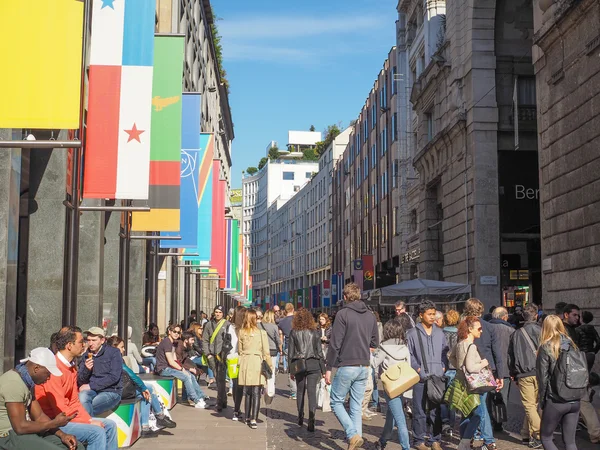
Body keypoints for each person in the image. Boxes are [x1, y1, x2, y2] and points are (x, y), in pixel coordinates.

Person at [35, 327, 118, 450]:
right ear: (69, 345)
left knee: (110, 425)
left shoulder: (71, 367)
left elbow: (74, 400)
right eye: (81, 342)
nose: (85, 345)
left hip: (66, 417)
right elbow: (60, 409)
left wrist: (88, 419)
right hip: (53, 421)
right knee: (97, 432)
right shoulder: (54, 368)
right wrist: (88, 422)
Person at [326, 283, 379, 450]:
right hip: (364, 365)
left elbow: (335, 344)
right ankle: (356, 440)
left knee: (336, 401)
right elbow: (375, 342)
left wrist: (328, 367)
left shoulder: (343, 314)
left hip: (347, 364)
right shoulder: (370, 316)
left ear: (345, 297)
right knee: (356, 405)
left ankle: (352, 434)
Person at [0, 347, 83, 450]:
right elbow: (20, 427)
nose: (48, 378)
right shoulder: (14, 383)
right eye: (48, 374)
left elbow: (39, 416)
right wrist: (54, 423)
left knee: (77, 447)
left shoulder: (28, 382)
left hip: (26, 432)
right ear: (36, 368)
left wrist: (62, 435)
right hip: (8, 436)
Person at [106, 337, 176, 434]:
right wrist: (143, 387)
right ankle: (159, 417)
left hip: (119, 387)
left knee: (147, 392)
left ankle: (146, 426)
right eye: (122, 347)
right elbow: (131, 374)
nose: (124, 349)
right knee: (148, 390)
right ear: (114, 347)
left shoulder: (110, 357)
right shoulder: (115, 359)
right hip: (119, 390)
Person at [406, 301, 449, 450]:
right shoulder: (412, 333)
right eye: (429, 314)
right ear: (421, 315)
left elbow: (445, 352)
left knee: (436, 410)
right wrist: (417, 369)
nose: (432, 317)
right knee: (419, 410)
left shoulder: (439, 332)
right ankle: (418, 440)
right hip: (420, 377)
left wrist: (443, 366)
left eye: (433, 314)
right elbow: (409, 354)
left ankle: (435, 439)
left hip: (437, 376)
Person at [462, 298, 504, 450]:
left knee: (470, 406)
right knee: (481, 405)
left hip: (469, 371)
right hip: (486, 371)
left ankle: (479, 438)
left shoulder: (463, 326)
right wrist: (500, 375)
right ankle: (480, 439)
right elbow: (497, 353)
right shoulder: (490, 327)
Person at [536, 315, 582, 450]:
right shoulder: (571, 343)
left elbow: (543, 378)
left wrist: (542, 401)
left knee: (546, 438)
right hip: (575, 397)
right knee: (570, 442)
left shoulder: (546, 347)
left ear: (545, 328)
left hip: (556, 399)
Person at [374, 315, 413, 450]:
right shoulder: (404, 346)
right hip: (402, 385)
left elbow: (374, 363)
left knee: (400, 420)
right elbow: (409, 365)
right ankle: (382, 441)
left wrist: (368, 354)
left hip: (390, 386)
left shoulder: (383, 347)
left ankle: (405, 447)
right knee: (391, 415)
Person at [449, 316, 488, 450]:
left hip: (460, 383)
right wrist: (483, 363)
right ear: (470, 329)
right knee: (478, 414)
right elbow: (471, 368)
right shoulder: (471, 346)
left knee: (466, 414)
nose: (481, 331)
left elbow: (451, 356)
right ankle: (464, 443)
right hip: (471, 386)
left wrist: (460, 368)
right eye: (479, 328)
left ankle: (464, 444)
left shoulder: (460, 343)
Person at [508, 303, 543, 449]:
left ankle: (533, 433)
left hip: (523, 373)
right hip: (541, 372)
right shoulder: (542, 331)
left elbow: (511, 356)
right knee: (533, 405)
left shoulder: (516, 334)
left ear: (523, 316)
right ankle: (532, 433)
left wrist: (513, 373)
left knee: (529, 405)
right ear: (536, 315)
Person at [288, 308, 326, 432]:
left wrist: (291, 370)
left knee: (300, 391)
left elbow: (290, 353)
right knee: (311, 393)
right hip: (313, 363)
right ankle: (311, 420)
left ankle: (300, 416)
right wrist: (323, 369)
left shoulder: (294, 332)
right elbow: (319, 353)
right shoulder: (315, 332)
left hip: (299, 364)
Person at [156, 324, 208, 409]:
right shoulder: (167, 342)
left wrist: (183, 369)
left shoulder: (173, 343)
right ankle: (196, 400)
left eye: (178, 332)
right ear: (169, 332)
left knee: (190, 375)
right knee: (186, 376)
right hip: (163, 368)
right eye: (174, 332)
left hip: (169, 367)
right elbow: (171, 361)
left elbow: (175, 359)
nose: (176, 334)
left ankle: (201, 397)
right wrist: (181, 369)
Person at [237, 309, 272, 429]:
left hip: (246, 362)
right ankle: (253, 418)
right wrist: (270, 366)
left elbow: (240, 350)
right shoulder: (261, 333)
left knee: (247, 391)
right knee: (256, 392)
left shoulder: (241, 332)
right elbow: (266, 352)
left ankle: (247, 416)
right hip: (257, 362)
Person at [77, 327, 122, 417]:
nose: (90, 343)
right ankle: (91, 426)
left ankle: (89, 427)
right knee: (83, 397)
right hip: (92, 391)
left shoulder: (113, 352)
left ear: (102, 340)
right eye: (88, 340)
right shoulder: (86, 355)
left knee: (85, 407)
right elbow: (80, 380)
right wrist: (87, 369)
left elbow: (114, 377)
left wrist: (91, 386)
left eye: (94, 340)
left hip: (111, 391)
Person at [488, 306, 515, 432]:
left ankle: (489, 422)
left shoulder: (485, 328)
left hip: (488, 369)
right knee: (502, 397)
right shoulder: (510, 330)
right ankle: (498, 424)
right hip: (505, 369)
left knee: (488, 397)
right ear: (505, 317)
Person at [202, 305, 231, 411]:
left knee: (221, 379)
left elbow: (230, 341)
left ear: (223, 314)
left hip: (222, 356)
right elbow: (204, 340)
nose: (218, 314)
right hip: (212, 356)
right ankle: (223, 399)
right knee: (217, 378)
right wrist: (208, 354)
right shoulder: (209, 325)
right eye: (216, 312)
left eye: (220, 312)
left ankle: (220, 401)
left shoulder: (227, 325)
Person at [175, 332, 209, 402]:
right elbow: (178, 362)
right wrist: (190, 368)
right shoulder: (179, 348)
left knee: (190, 374)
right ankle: (197, 397)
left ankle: (187, 397)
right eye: (192, 340)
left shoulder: (185, 347)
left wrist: (195, 368)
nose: (193, 342)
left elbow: (185, 360)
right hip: (174, 367)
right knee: (190, 376)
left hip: (180, 366)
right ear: (186, 340)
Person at [441, 309, 460, 436]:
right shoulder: (460, 334)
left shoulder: (440, 334)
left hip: (443, 368)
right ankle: (451, 425)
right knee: (453, 398)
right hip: (456, 369)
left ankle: (445, 422)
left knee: (443, 398)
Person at [259, 309, 280, 404]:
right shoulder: (274, 326)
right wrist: (281, 349)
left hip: (262, 350)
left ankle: (261, 388)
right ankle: (270, 392)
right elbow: (278, 340)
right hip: (272, 351)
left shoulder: (258, 325)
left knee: (262, 370)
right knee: (271, 370)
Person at [230, 306, 246, 419]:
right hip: (242, 358)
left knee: (236, 384)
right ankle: (237, 410)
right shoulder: (244, 329)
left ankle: (236, 409)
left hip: (231, 358)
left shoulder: (230, 327)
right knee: (240, 385)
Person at [278, 303, 297, 398]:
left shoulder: (281, 322)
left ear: (285, 310)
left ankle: (294, 392)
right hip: (299, 345)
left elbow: (281, 336)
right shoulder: (297, 320)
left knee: (291, 369)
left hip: (288, 346)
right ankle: (300, 387)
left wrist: (280, 349)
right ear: (293, 309)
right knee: (300, 366)